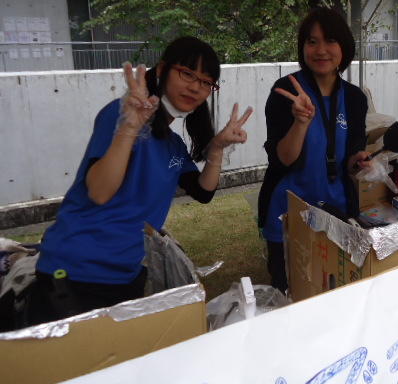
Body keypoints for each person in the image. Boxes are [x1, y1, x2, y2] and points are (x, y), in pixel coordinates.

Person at [27, 36, 252, 325]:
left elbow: (203, 191)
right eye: (187, 74)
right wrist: (130, 127)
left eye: (206, 82)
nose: (196, 87)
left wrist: (217, 148)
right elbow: (99, 192)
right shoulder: (121, 115)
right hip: (76, 272)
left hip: (127, 272)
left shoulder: (172, 146)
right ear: (162, 70)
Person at [258, 8, 369, 292]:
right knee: (290, 293)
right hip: (288, 214)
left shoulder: (355, 98)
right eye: (312, 41)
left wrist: (358, 161)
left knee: (337, 290)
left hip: (337, 212)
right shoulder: (286, 91)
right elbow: (282, 159)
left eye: (330, 40)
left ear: (344, 46)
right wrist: (300, 122)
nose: (320, 50)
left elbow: (351, 156)